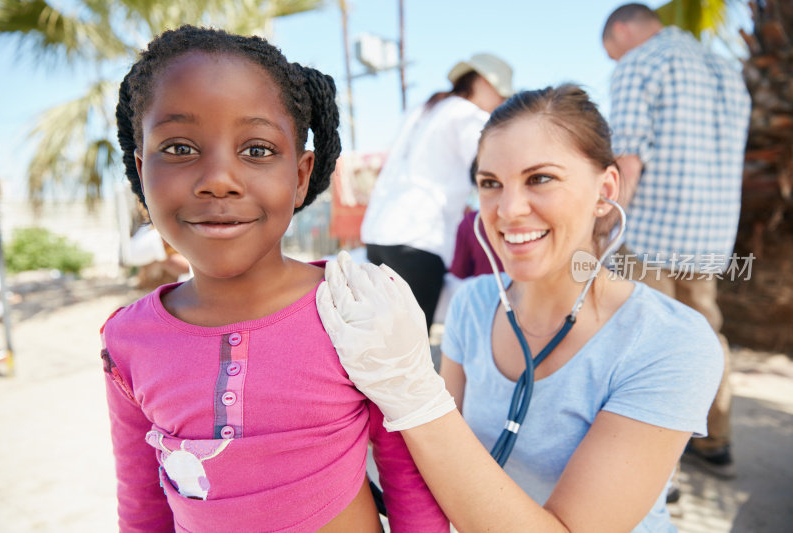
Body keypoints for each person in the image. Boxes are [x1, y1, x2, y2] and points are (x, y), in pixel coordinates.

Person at [317, 85, 724, 532]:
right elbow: (434, 461)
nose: (508, 210)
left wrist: (412, 391)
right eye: (490, 184)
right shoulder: (473, 305)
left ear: (605, 190)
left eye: (540, 178)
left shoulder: (672, 343)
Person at [102, 26, 447, 533]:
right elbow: (142, 505)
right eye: (178, 148)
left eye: (257, 150)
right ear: (139, 168)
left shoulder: (355, 307)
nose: (218, 178)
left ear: (302, 174)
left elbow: (406, 474)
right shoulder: (127, 340)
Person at [603, 3, 751, 478]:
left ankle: (653, 471)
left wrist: (605, 223)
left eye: (611, 51)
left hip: (650, 231)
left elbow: (627, 157)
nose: (614, 60)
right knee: (706, 333)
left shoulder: (641, 61)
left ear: (623, 31)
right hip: (709, 235)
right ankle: (715, 442)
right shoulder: (727, 70)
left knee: (642, 342)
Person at [360, 53, 513, 330]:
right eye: (502, 94)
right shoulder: (469, 115)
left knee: (377, 339)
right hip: (418, 240)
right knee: (409, 349)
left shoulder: (423, 109)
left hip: (377, 234)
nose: (502, 103)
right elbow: (488, 169)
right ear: (480, 81)